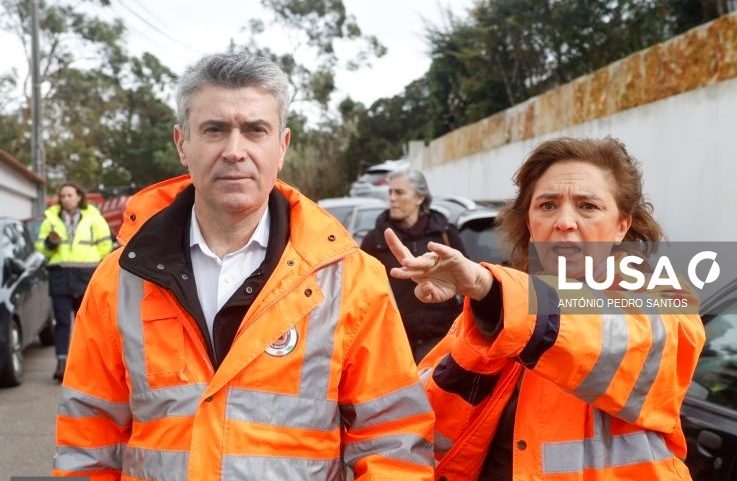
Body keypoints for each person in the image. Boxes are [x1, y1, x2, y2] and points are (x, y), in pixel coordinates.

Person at [53, 53, 434, 480]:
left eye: (255, 130)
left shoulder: (351, 280)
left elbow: (392, 441)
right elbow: (88, 442)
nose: (235, 151)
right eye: (214, 129)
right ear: (182, 144)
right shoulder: (119, 281)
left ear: (282, 146)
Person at [384, 137, 705, 480]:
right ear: (529, 223)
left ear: (621, 226)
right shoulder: (501, 308)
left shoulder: (667, 298)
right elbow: (424, 422)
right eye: (548, 205)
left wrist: (490, 292)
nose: (564, 221)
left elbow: (608, 333)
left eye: (587, 206)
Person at [361, 169, 466, 362]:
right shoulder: (375, 240)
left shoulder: (445, 234)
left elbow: (466, 282)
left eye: (399, 192)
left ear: (420, 198)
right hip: (394, 345)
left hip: (444, 343)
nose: (392, 198)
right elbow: (362, 291)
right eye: (390, 192)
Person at [35, 182, 112, 382]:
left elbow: (105, 246)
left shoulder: (94, 218)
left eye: (70, 195)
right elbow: (41, 248)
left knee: (87, 323)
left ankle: (89, 366)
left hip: (86, 275)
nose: (66, 199)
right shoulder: (51, 219)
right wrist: (50, 243)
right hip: (60, 275)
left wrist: (95, 266)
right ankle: (62, 365)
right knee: (62, 321)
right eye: (63, 196)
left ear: (79, 196)